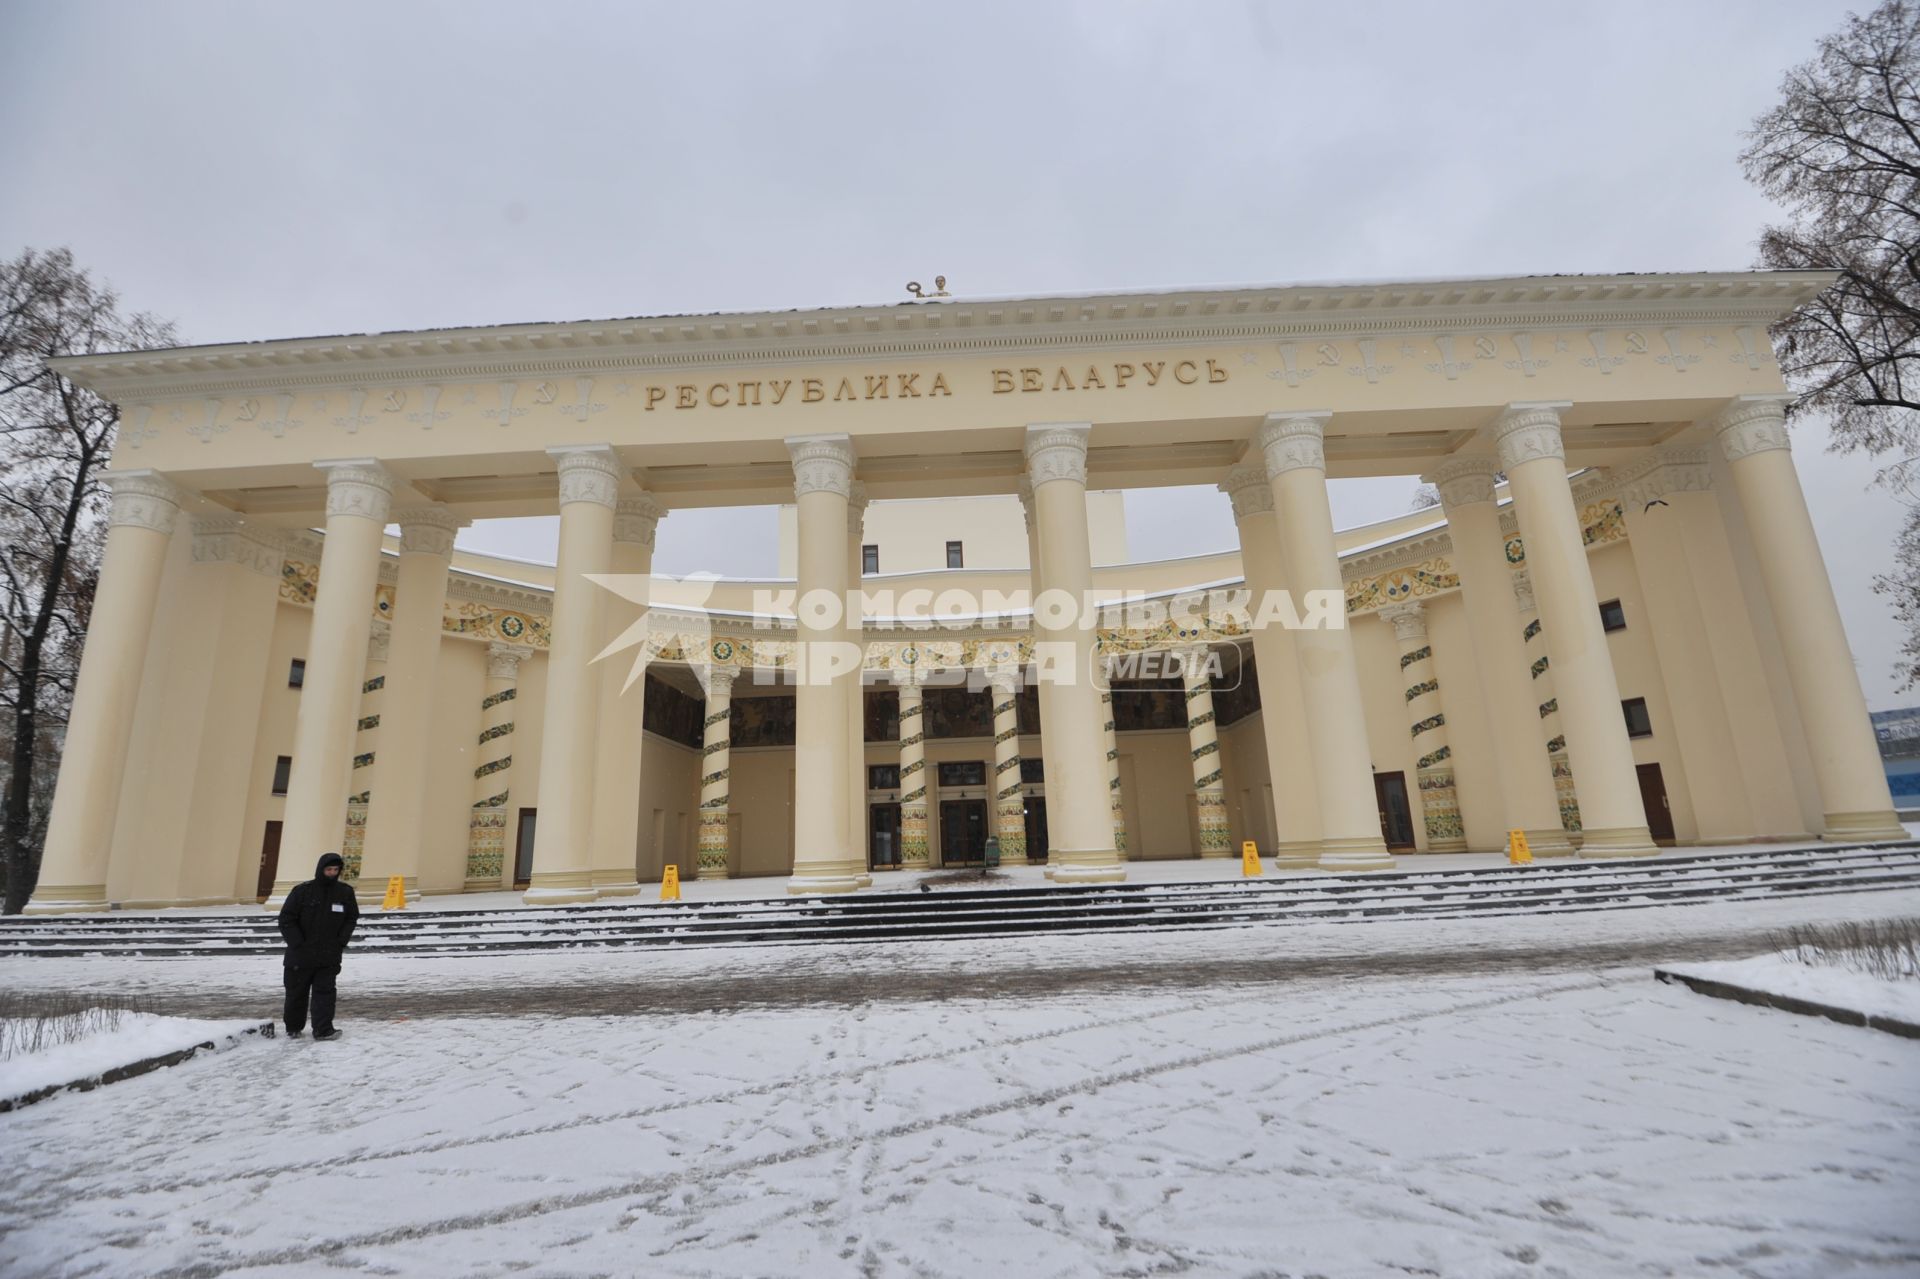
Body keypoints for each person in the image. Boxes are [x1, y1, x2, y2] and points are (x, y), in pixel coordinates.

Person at [276, 852, 359, 1041]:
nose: (331, 873)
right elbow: (287, 918)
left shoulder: (344, 892)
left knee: (325, 993)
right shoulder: (302, 891)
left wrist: (341, 940)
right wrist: (297, 942)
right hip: (300, 955)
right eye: (328, 869)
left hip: (328, 954)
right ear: (320, 869)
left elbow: (351, 917)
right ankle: (294, 1027)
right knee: (296, 993)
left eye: (335, 870)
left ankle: (323, 1029)